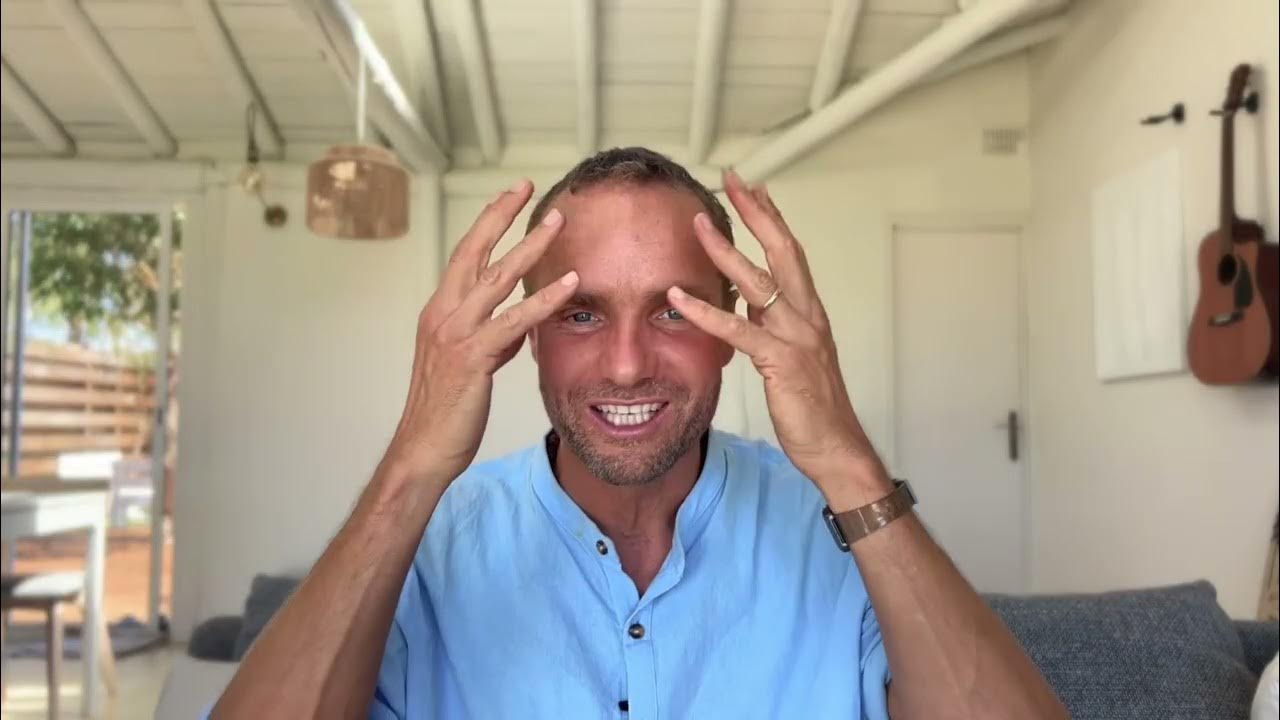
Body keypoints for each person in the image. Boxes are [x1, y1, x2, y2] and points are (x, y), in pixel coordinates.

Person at [211, 147, 1066, 719]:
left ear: (736, 328)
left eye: (674, 310)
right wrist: (411, 463)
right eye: (581, 313)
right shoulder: (432, 545)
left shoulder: (839, 530)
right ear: (528, 334)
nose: (626, 366)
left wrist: (848, 461)